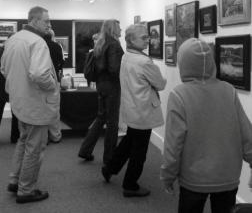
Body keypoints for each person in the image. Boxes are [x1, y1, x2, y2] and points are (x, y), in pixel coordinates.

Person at [160, 38, 252, 213]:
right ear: (212, 63)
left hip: (194, 179)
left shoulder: (179, 95)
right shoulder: (229, 90)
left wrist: (168, 175)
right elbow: (247, 133)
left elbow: (173, 144)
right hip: (228, 176)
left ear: (183, 64)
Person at [1, 6, 60, 204]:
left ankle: (15, 181)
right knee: (35, 147)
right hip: (36, 104)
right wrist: (53, 86)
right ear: (34, 21)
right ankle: (25, 190)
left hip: (19, 102)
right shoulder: (38, 42)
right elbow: (39, 74)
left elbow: (3, 69)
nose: (50, 25)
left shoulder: (13, 39)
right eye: (47, 21)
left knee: (24, 141)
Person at [101, 24, 167, 197]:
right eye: (143, 37)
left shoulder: (126, 56)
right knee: (139, 151)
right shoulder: (144, 61)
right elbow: (160, 84)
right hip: (143, 110)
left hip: (131, 107)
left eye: (147, 36)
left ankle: (110, 168)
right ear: (130, 40)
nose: (148, 40)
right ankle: (130, 185)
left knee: (129, 141)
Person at [78, 19, 123, 165]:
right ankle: (109, 158)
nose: (121, 30)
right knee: (112, 123)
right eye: (119, 27)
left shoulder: (100, 43)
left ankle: (85, 150)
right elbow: (114, 69)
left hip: (101, 85)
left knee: (101, 118)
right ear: (114, 28)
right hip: (111, 87)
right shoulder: (114, 44)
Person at [44, 27, 64, 144]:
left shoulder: (38, 46)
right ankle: (55, 135)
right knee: (54, 109)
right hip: (53, 79)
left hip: (39, 82)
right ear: (52, 36)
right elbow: (62, 62)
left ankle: (43, 137)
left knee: (41, 109)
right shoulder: (57, 46)